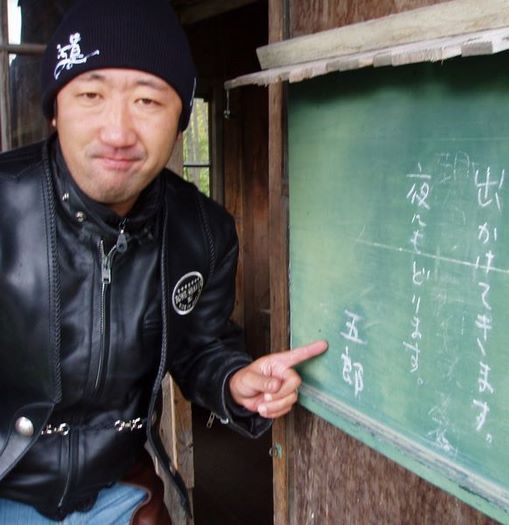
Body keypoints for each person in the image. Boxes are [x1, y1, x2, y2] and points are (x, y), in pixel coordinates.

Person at [0, 0, 327, 523]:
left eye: (148, 101)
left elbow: (199, 345)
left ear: (179, 122)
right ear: (55, 110)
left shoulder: (203, 232)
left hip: (115, 492)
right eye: (91, 95)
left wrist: (234, 380)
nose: (118, 132)